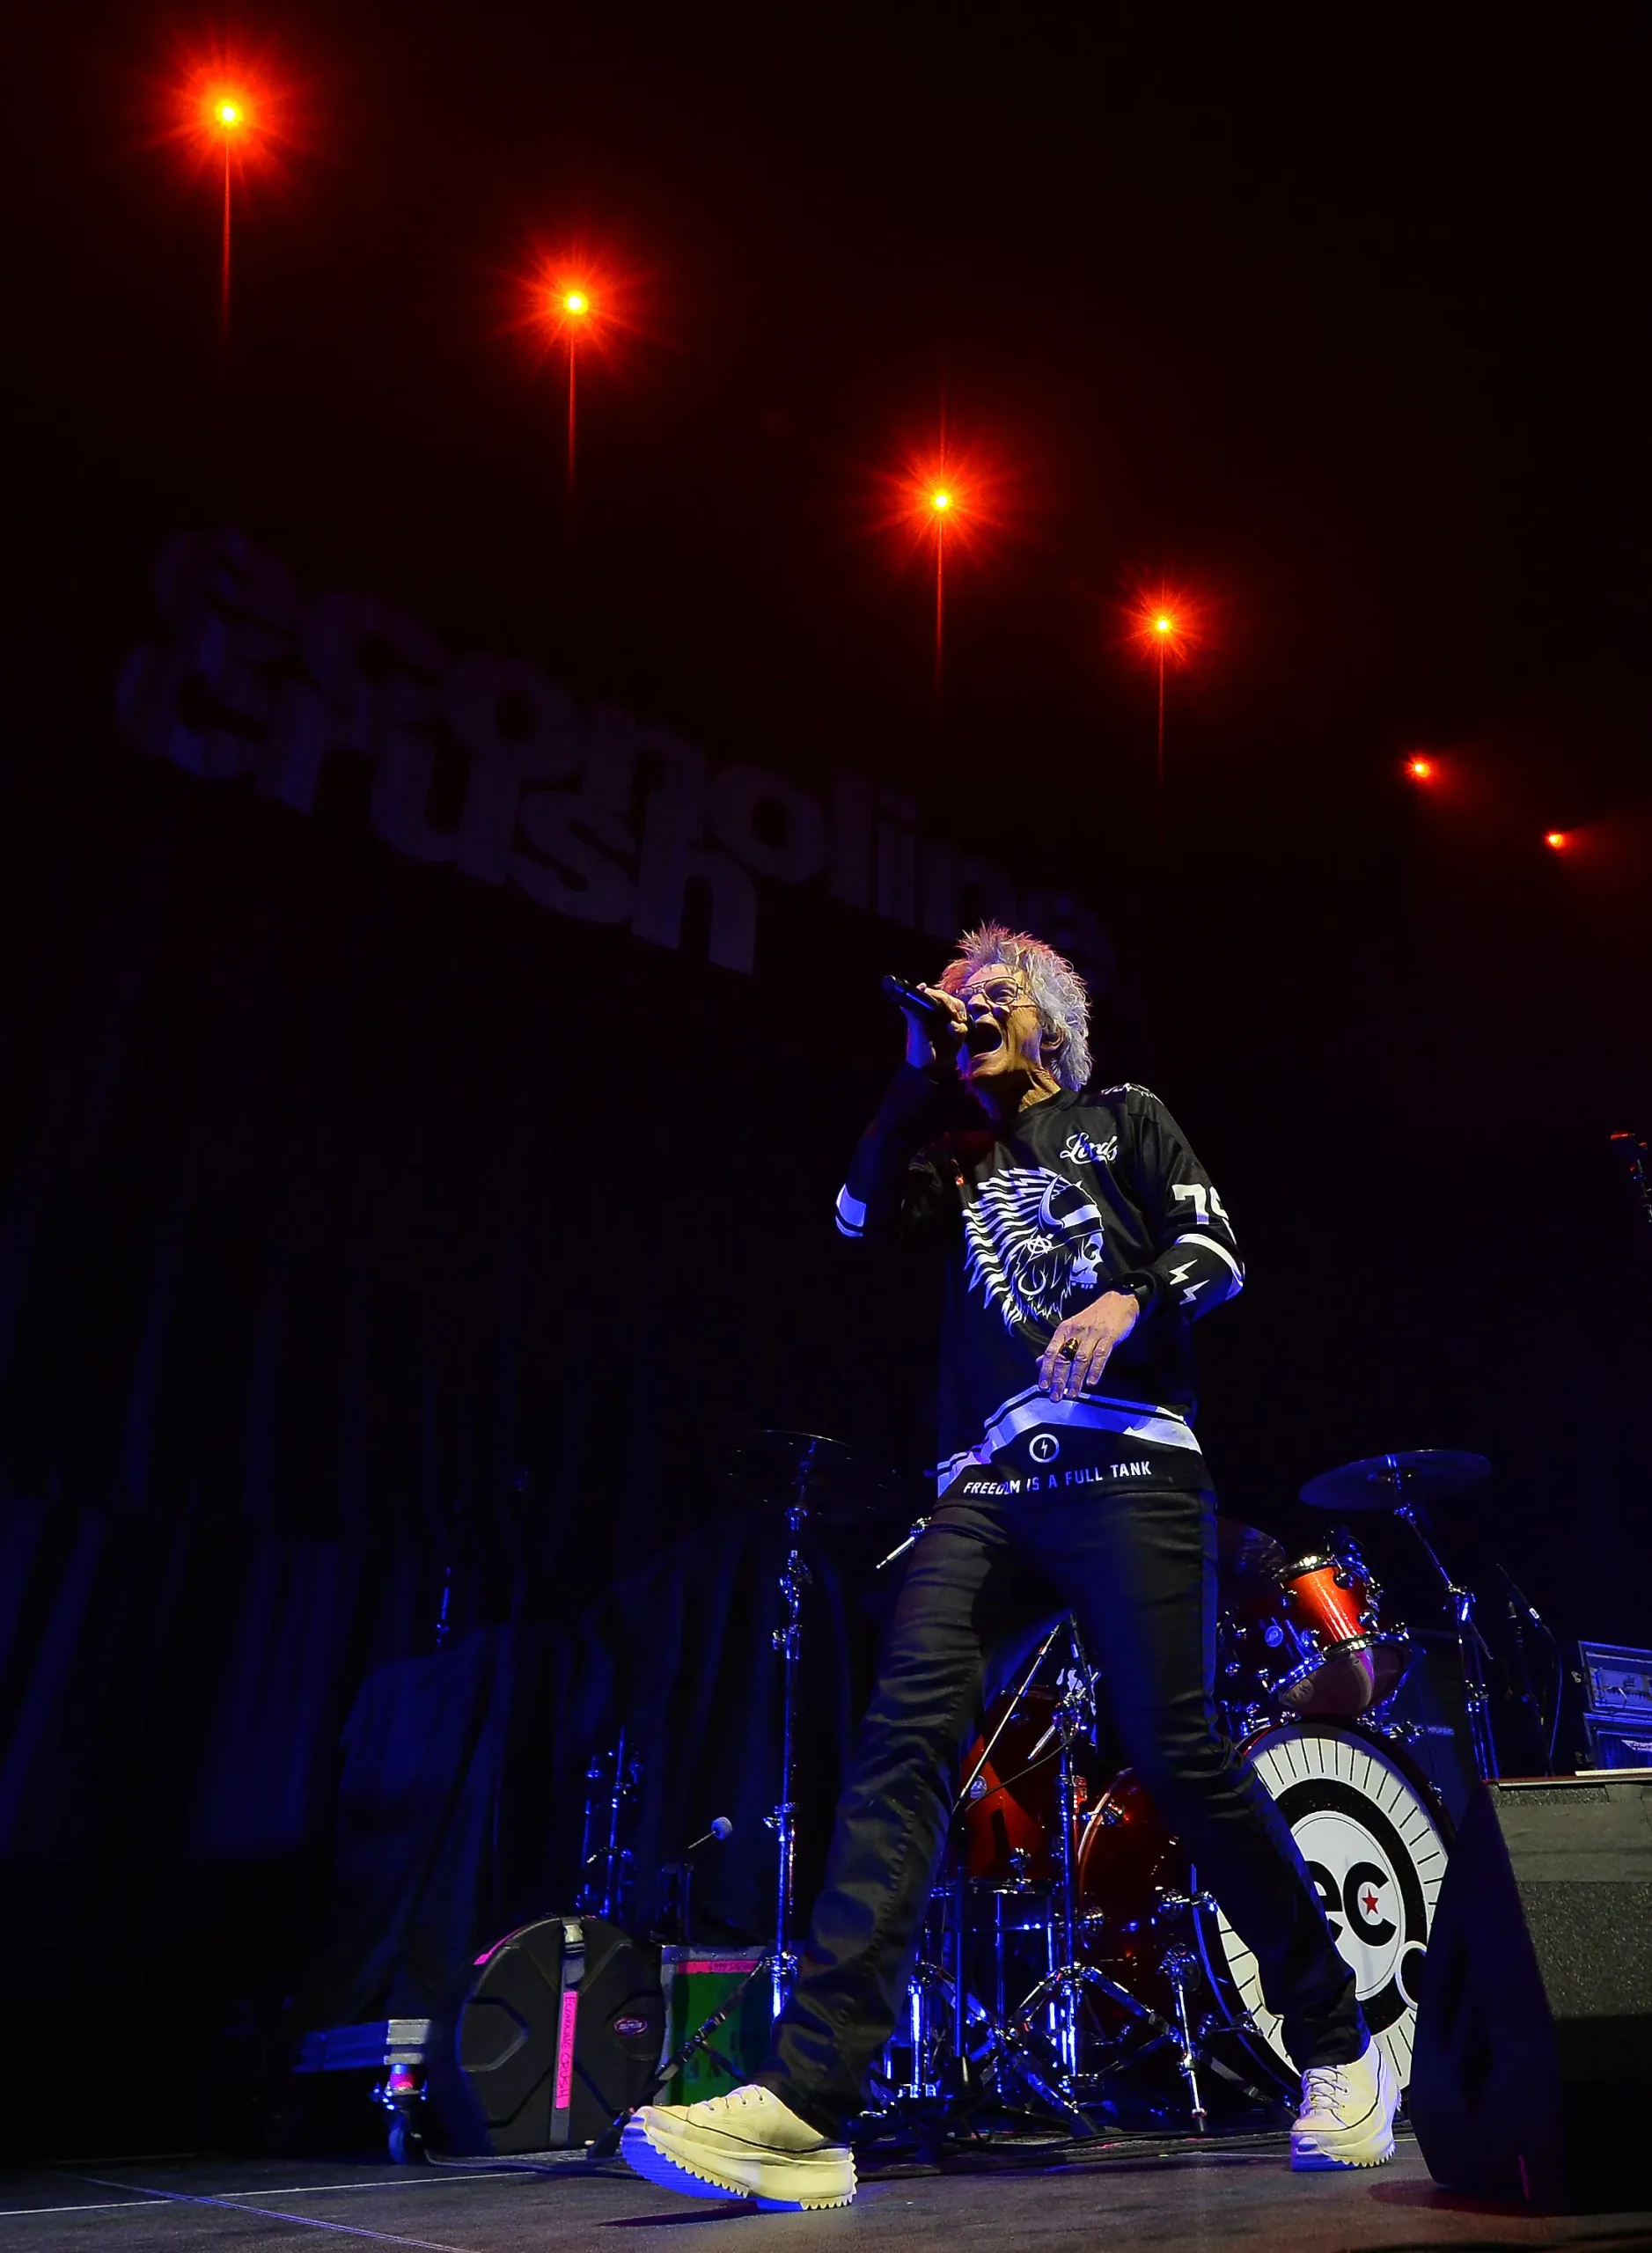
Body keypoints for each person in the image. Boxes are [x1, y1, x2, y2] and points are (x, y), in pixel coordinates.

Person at [623, 923, 1397, 2209]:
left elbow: (1215, 1250)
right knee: (900, 1745)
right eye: (957, 996)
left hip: (1131, 1463)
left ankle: (1335, 2040)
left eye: (993, 994)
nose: (970, 1007)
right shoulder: (950, 1157)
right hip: (987, 1486)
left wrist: (1127, 1298)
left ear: (1052, 1022)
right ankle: (806, 2108)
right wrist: (911, 1070)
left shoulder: (1124, 1117)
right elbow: (855, 1214)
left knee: (1175, 1749)